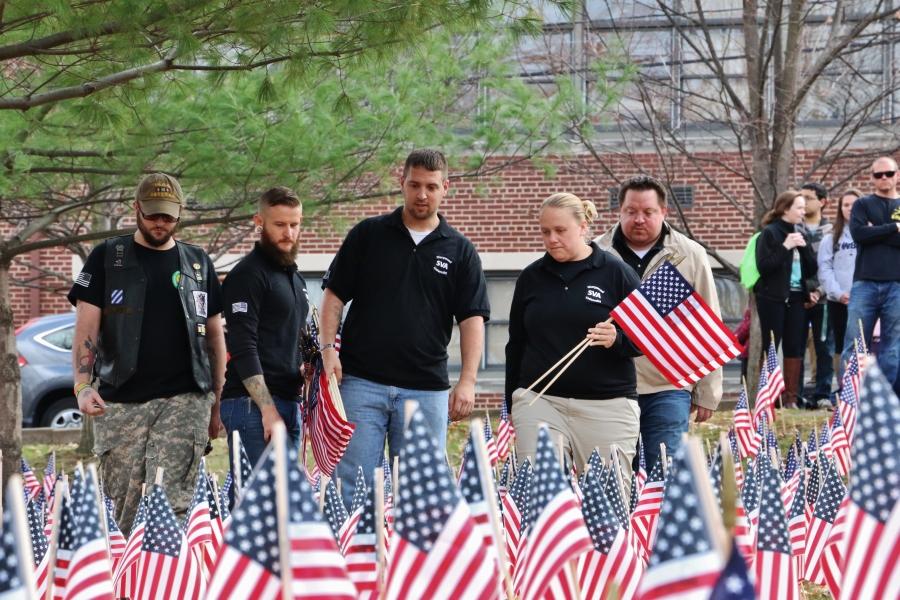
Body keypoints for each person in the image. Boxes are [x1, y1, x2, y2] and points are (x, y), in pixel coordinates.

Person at [319, 149, 490, 507]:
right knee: (351, 487)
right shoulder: (368, 235)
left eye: (431, 186)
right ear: (402, 184)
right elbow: (334, 297)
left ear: (446, 188)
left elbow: (472, 319)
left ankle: (413, 564)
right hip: (361, 385)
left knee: (422, 497)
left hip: (426, 390)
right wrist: (328, 351)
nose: (422, 194)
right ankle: (351, 561)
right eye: (414, 185)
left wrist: (468, 381)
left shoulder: (460, 251)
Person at [68, 173, 225, 533]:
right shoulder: (108, 257)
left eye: (168, 216)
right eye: (153, 214)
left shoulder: (198, 263)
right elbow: (86, 329)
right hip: (122, 402)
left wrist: (216, 405)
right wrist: (81, 385)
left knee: (172, 512)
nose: (160, 223)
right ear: (135, 209)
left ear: (180, 214)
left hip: (186, 402)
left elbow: (215, 339)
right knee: (122, 508)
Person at [506, 193, 642, 475]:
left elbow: (649, 337)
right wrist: (513, 402)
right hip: (539, 401)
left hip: (607, 405)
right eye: (545, 231)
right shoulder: (531, 277)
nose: (552, 238)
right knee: (540, 496)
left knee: (608, 505)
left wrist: (616, 339)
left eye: (560, 230)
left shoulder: (616, 273)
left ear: (582, 227)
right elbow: (516, 344)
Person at [595, 175, 723, 469]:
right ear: (620, 211)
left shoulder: (690, 255)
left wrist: (707, 391)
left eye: (648, 212)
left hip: (669, 383)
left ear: (664, 212)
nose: (639, 219)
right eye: (631, 211)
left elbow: (709, 323)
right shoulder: (595, 253)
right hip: (608, 385)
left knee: (663, 474)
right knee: (615, 475)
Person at [220, 186, 308, 468]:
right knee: (258, 506)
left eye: (294, 225)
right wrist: (267, 410)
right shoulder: (247, 274)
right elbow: (242, 345)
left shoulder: (295, 278)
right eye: (280, 225)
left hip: (290, 402)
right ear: (259, 223)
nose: (289, 233)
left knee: (288, 505)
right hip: (252, 407)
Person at [841, 156, 900, 396]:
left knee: (893, 347)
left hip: (897, 284)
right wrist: (894, 228)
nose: (883, 178)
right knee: (855, 343)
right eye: (878, 175)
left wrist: (875, 230)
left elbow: (868, 233)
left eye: (888, 173)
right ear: (872, 178)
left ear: (898, 174)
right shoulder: (862, 204)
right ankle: (851, 399)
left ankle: (885, 399)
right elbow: (859, 234)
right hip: (864, 283)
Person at [754, 190, 818, 408]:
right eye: (799, 208)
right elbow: (764, 266)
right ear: (785, 209)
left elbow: (812, 268)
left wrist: (804, 247)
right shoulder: (770, 233)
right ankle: (768, 398)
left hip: (797, 297)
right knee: (771, 345)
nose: (803, 212)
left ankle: (790, 398)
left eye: (804, 207)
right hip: (772, 297)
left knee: (794, 345)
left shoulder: (801, 232)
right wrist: (785, 247)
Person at [817, 189, 860, 381]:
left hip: (865, 298)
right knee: (843, 344)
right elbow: (825, 269)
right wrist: (838, 293)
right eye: (846, 205)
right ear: (840, 208)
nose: (850, 208)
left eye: (855, 204)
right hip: (839, 300)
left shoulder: (871, 233)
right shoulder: (831, 238)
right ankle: (844, 386)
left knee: (866, 343)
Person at [798, 182, 834, 407]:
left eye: (808, 198)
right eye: (800, 198)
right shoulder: (793, 228)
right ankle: (797, 395)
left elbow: (831, 266)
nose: (804, 202)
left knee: (824, 349)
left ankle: (823, 394)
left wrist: (819, 291)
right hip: (799, 298)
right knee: (796, 348)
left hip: (824, 298)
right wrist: (804, 292)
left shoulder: (832, 231)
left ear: (822, 202)